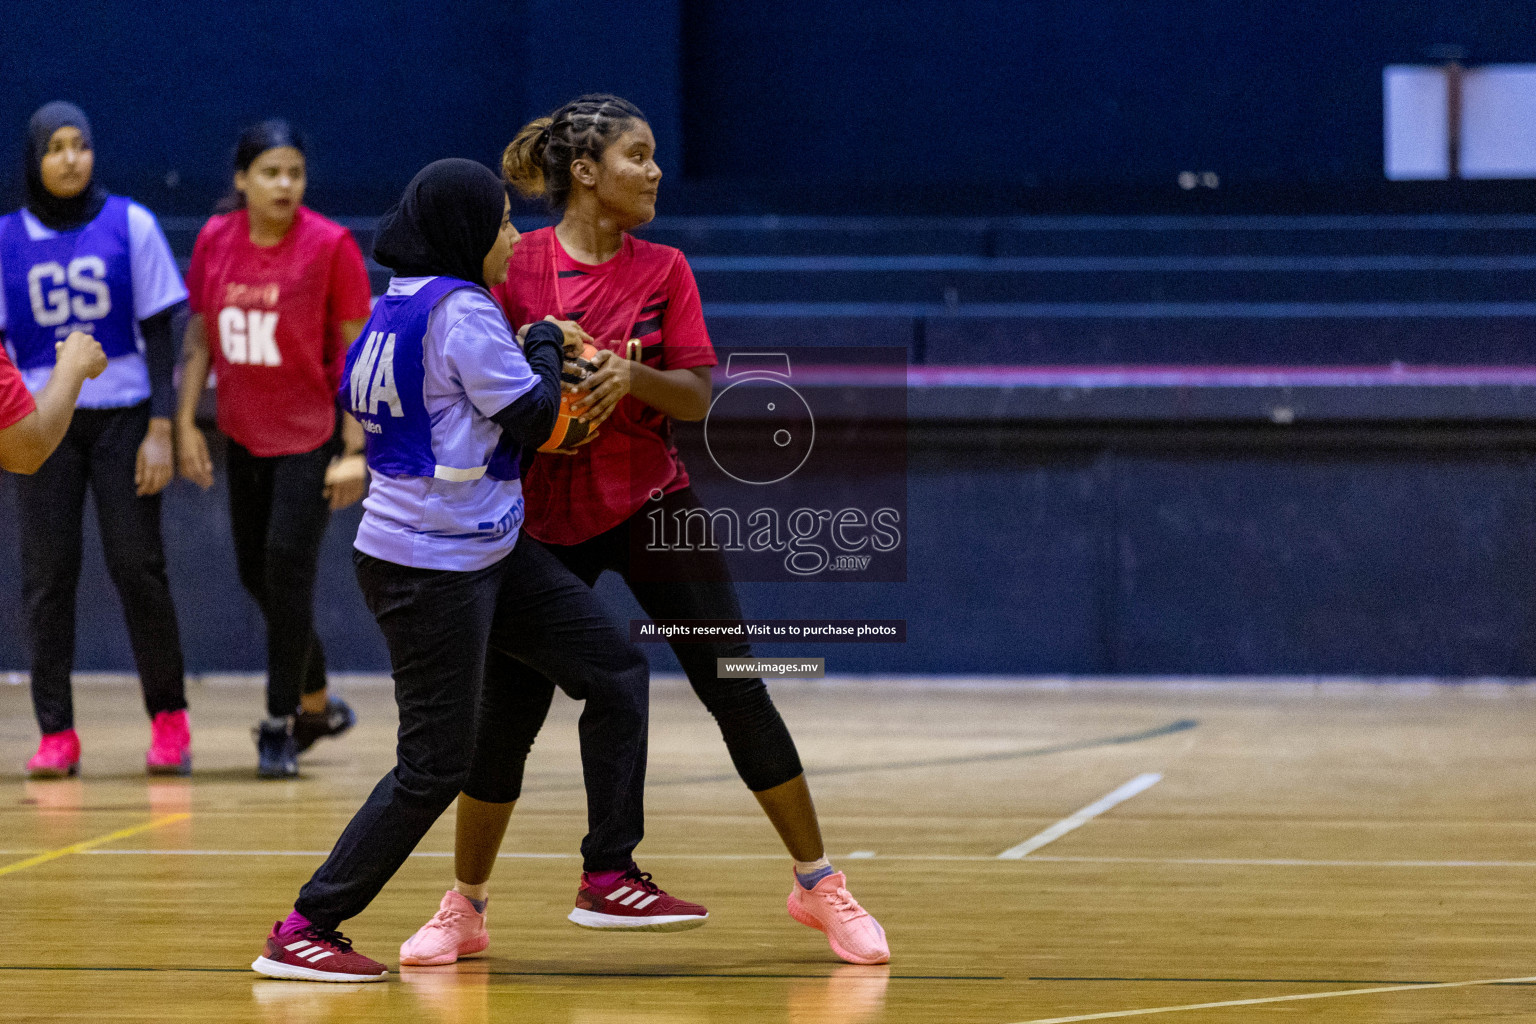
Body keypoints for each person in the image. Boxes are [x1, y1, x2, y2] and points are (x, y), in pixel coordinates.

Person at [398, 95, 889, 968]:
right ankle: (466, 907)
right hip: (539, 516)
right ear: (586, 172)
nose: (656, 170)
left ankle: (820, 886)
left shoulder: (664, 269)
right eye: (639, 154)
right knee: (504, 716)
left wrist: (628, 376)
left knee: (738, 683)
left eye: (655, 154)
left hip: (651, 502)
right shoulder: (515, 266)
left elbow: (699, 395)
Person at [252, 158, 695, 982]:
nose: (514, 238)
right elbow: (530, 419)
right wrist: (542, 338)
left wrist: (526, 351)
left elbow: (376, 394)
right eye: (498, 225)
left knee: (614, 669)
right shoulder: (461, 311)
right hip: (430, 570)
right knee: (435, 767)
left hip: (480, 551)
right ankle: (305, 925)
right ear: (461, 235)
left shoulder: (397, 306)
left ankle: (608, 874)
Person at [0, 101, 192, 778]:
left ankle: (169, 718)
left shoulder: (129, 223)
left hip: (124, 417)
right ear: (34, 159)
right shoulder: (5, 238)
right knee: (47, 577)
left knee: (137, 566)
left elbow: (162, 329)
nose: (71, 157)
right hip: (38, 420)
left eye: (80, 144)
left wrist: (163, 429)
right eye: (55, 146)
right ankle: (57, 733)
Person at [176, 120, 373, 777]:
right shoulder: (215, 240)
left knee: (286, 568)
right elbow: (201, 337)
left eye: (294, 172)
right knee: (255, 574)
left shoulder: (330, 245)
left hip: (311, 436)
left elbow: (356, 351)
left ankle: (280, 722)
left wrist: (355, 446)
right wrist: (181, 424)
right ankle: (316, 699)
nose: (285, 184)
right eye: (270, 172)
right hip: (241, 433)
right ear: (241, 180)